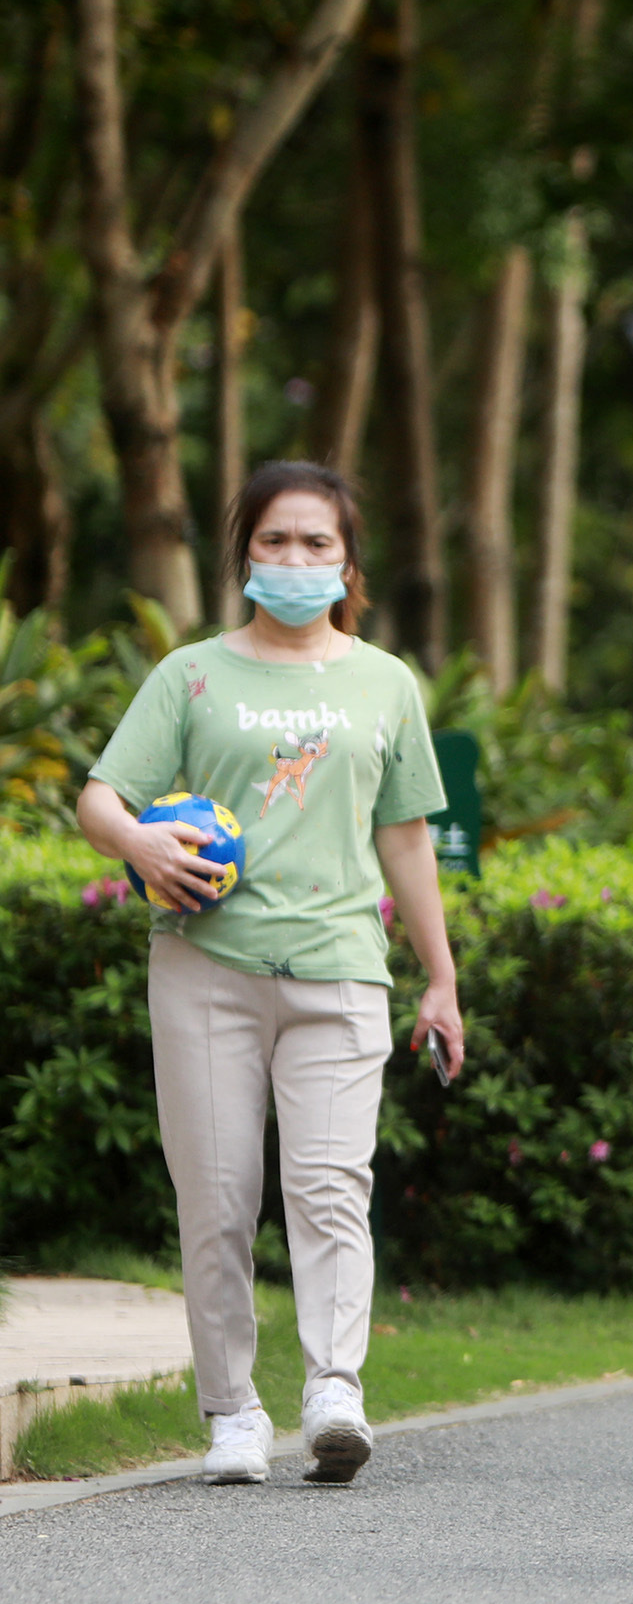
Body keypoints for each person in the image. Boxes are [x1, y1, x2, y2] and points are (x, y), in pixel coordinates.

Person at [78, 460, 463, 1487]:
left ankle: (335, 1388)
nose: (295, 560)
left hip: (340, 972)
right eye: (276, 541)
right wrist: (144, 849)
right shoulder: (193, 676)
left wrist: (440, 976)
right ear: (244, 553)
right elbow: (102, 796)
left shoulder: (385, 682)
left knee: (332, 1186)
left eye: (317, 544)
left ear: (348, 564)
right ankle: (233, 1411)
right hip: (205, 969)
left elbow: (409, 837)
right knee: (216, 1198)